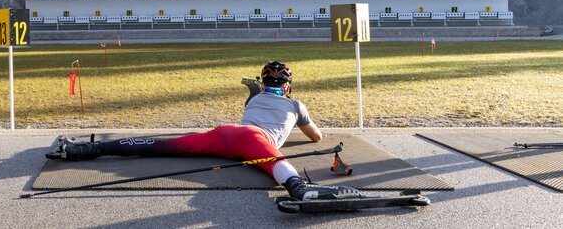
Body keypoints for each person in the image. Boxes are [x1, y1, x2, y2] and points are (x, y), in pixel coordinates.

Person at [46, 60, 364, 201]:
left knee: (157, 145)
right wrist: (296, 114)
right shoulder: (295, 105)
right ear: (289, 85)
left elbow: (258, 105)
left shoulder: (253, 99)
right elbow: (317, 138)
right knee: (276, 164)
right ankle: (300, 188)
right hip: (253, 140)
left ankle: (79, 149)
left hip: (225, 134)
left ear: (262, 82)